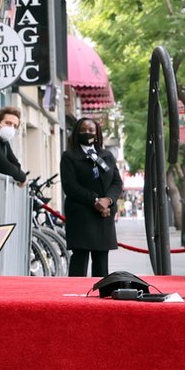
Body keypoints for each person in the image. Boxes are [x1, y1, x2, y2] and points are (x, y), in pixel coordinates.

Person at [60, 117, 122, 277]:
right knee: (80, 258)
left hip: (104, 214)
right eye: (83, 130)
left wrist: (107, 200)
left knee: (101, 259)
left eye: (91, 130)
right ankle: (75, 296)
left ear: (97, 134)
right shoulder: (69, 156)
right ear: (76, 132)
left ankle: (100, 296)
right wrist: (95, 200)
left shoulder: (106, 155)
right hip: (81, 213)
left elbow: (117, 182)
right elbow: (70, 186)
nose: (87, 133)